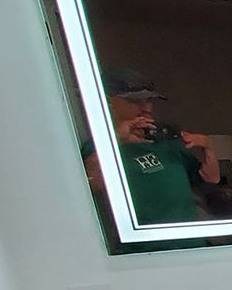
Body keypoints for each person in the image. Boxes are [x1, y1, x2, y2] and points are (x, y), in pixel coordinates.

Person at [85, 69, 220, 225]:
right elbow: (90, 186)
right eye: (135, 101)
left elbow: (212, 178)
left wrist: (207, 146)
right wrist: (117, 138)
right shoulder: (99, 146)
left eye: (149, 100)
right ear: (108, 103)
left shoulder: (165, 143)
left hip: (189, 242)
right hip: (144, 244)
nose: (146, 108)